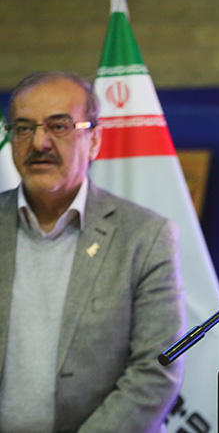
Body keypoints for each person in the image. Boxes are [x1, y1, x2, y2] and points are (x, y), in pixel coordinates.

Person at [0, 72, 186, 432]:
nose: (38, 142)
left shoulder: (145, 236)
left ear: (95, 140)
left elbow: (156, 370)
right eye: (23, 128)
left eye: (59, 126)